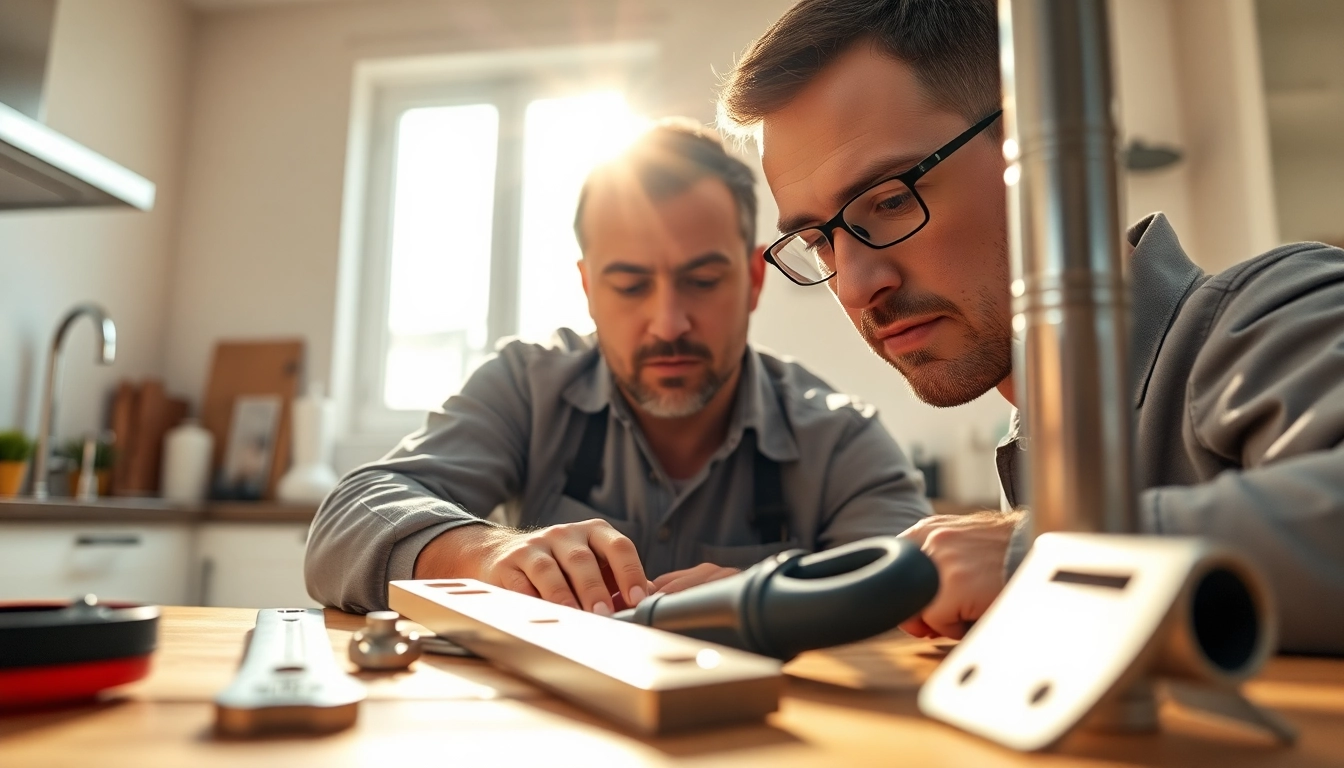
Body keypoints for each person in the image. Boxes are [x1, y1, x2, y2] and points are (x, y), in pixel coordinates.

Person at [718, 0, 1344, 653]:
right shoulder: (1039, 444)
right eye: (820, 241)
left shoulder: (1262, 313)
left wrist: (1042, 555)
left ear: (1035, 145)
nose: (854, 284)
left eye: (892, 199)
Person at [305, 120, 932, 615]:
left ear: (751, 280)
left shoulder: (840, 440)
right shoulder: (528, 385)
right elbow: (346, 522)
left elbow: (914, 585)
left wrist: (768, 598)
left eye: (703, 280)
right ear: (588, 289)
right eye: (631, 286)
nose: (668, 324)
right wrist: (485, 555)